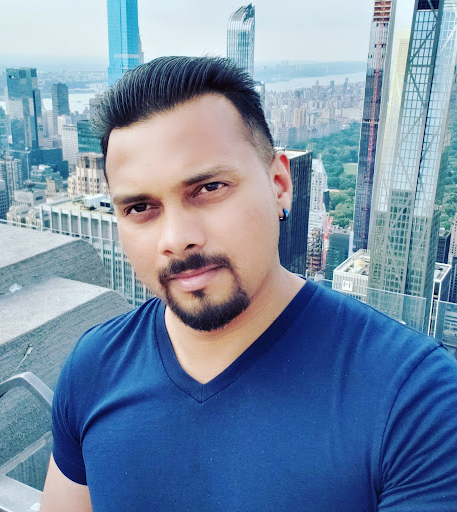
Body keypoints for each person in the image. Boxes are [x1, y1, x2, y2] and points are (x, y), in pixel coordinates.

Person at [41, 56, 457, 511]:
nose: (176, 239)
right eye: (140, 208)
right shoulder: (94, 367)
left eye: (209, 188)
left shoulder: (414, 397)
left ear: (279, 184)